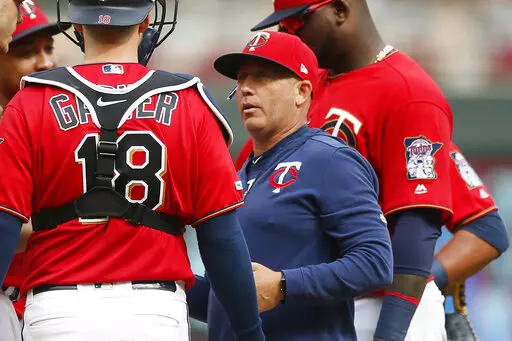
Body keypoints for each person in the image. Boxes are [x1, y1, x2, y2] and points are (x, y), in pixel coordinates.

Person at [241, 1, 510, 340]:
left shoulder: (410, 93)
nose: (287, 33)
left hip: (378, 304)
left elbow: (444, 227)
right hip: (311, 298)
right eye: (282, 25)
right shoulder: (303, 89)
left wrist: (411, 294)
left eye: (297, 21)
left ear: (340, 10)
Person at [0, 0, 266, 340]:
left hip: (57, 312)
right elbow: (222, 239)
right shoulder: (189, 100)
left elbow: (5, 226)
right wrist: (248, 330)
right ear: (146, 21)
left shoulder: (31, 100)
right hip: (153, 312)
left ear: (77, 25)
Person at [187, 30, 393, 341]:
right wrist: (169, 276)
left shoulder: (329, 160)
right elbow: (227, 300)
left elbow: (375, 262)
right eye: (241, 80)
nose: (245, 89)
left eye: (262, 78)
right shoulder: (239, 176)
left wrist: (284, 285)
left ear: (301, 91)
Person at [0, 3, 71, 340]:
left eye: (49, 48)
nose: (45, 63)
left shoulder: (58, 123)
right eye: (27, 52)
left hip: (53, 306)